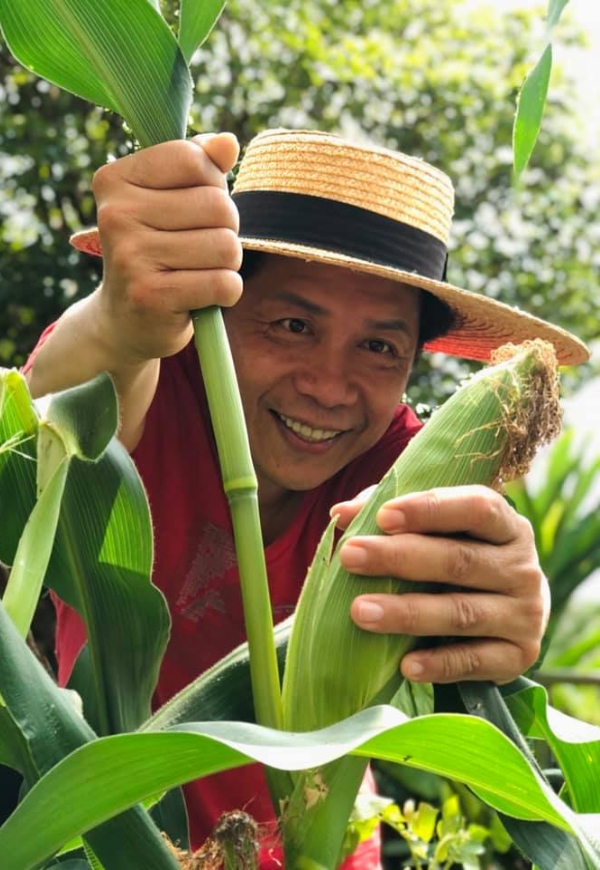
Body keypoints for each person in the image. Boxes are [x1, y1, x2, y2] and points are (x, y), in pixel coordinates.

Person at [25, 128, 588, 867]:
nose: (328, 387)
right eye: (293, 325)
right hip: (115, 845)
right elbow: (65, 397)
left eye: (379, 347)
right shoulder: (153, 385)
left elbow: (478, 562)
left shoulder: (399, 461)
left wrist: (507, 609)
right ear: (214, 318)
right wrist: (118, 319)